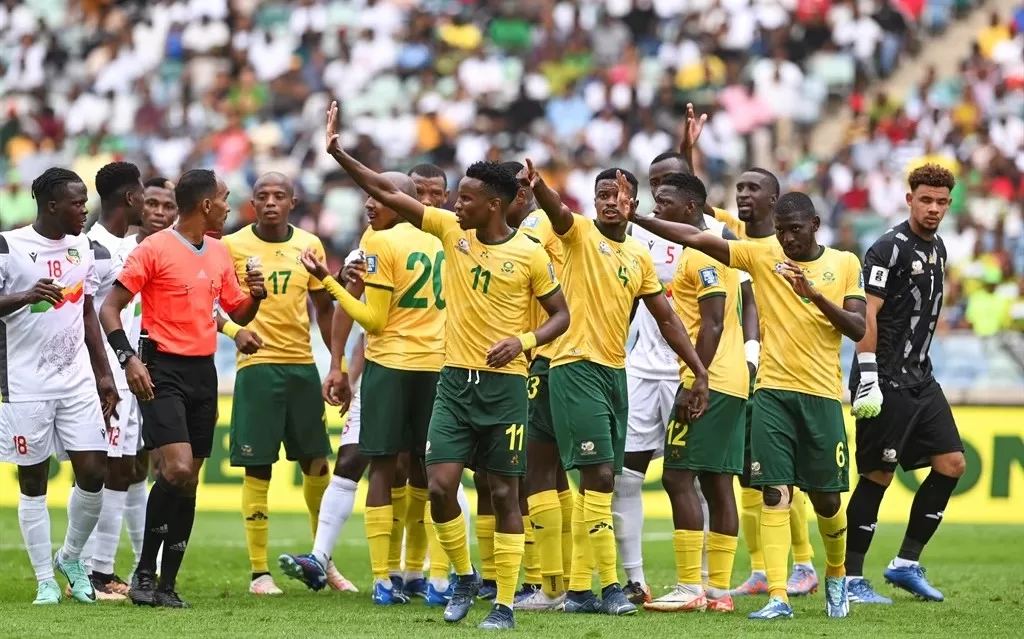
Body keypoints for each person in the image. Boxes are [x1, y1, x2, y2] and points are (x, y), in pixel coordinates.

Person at [323, 101, 571, 630]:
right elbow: (390, 192)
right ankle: (461, 575)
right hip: (454, 384)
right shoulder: (449, 232)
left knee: (504, 491)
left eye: (467, 199)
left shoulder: (529, 254)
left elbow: (561, 315)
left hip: (505, 388)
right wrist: (340, 153)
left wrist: (523, 340)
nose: (456, 205)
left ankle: (502, 601)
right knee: (438, 485)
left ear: (496, 205)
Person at [629, 191, 866, 620]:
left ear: (814, 224)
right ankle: (778, 595)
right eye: (780, 231)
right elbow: (699, 237)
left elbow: (856, 326)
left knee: (827, 501)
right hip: (771, 391)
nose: (787, 239)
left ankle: (836, 573)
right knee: (775, 491)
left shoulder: (846, 263)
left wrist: (812, 293)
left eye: (794, 230)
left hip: (823, 395)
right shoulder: (761, 255)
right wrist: (639, 218)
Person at [523, 162, 709, 616]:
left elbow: (667, 319)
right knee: (603, 475)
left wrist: (699, 370)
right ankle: (607, 587)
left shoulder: (639, 257)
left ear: (633, 204)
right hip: (574, 365)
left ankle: (580, 591)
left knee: (597, 481)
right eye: (602, 194)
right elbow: (558, 213)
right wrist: (541, 187)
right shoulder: (579, 234)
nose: (610, 201)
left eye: (618, 195)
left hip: (615, 372)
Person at [99, 169, 266, 608]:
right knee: (175, 469)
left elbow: (237, 311)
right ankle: (143, 573)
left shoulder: (218, 251)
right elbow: (109, 308)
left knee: (188, 481)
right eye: (226, 198)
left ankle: (166, 584)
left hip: (203, 371)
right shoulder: (153, 249)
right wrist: (128, 358)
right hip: (160, 369)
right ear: (206, 205)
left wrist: (257, 296)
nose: (231, 206)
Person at [294, 171, 448, 608]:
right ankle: (430, 578)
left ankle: (390, 579)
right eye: (367, 195)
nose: (368, 203)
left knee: (382, 467)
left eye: (376, 196)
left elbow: (371, 318)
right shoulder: (449, 236)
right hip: (437, 368)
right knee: (429, 471)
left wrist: (327, 282)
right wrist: (340, 363)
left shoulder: (381, 243)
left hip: (391, 366)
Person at [616, 148, 760, 604]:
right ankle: (708, 588)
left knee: (683, 478)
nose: (655, 199)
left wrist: (702, 375)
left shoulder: (711, 243)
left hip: (702, 374)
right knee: (701, 479)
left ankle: (693, 585)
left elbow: (719, 318)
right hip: (660, 369)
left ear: (690, 203)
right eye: (652, 189)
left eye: (665, 194)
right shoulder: (653, 235)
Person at [845, 164, 964, 604]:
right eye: (925, 200)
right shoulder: (888, 247)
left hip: (921, 376)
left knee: (952, 462)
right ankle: (852, 579)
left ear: (949, 204)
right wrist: (869, 373)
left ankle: (905, 564)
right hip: (885, 377)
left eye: (940, 202)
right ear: (909, 198)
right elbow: (867, 314)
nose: (933, 209)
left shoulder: (939, 250)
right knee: (878, 474)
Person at [1, 167, 118, 605]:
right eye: (77, 202)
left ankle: (69, 558)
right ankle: (44, 581)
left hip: (77, 383)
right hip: (25, 384)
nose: (84, 209)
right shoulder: (9, 246)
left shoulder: (83, 248)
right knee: (34, 481)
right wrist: (25, 296)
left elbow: (87, 312)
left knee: (94, 472)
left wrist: (105, 373)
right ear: (52, 206)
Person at [218, 172, 338, 596]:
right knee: (258, 468)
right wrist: (234, 332)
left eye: (279, 196)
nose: (270, 202)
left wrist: (336, 364)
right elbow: (215, 305)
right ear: (252, 202)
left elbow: (324, 308)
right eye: (263, 196)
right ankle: (258, 573)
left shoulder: (310, 245)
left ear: (293, 201)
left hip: (303, 367)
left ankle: (324, 561)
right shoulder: (231, 246)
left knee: (318, 464)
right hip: (257, 366)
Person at [79, 161, 145, 601]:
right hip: (104, 376)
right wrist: (104, 372)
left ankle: (98, 568)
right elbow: (85, 315)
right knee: (104, 468)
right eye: (142, 193)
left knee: (125, 467)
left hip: (131, 373)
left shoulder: (136, 246)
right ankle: (90, 569)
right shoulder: (92, 248)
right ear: (128, 198)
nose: (146, 201)